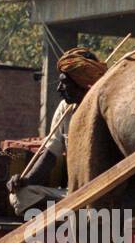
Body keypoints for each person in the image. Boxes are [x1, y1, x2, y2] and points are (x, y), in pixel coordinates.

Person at [6, 46, 106, 215]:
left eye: (64, 82)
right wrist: (25, 181)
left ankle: (78, 215)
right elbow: (50, 155)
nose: (59, 88)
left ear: (82, 84)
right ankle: (75, 215)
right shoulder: (64, 109)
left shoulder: (103, 108)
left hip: (105, 190)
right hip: (73, 193)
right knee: (20, 197)